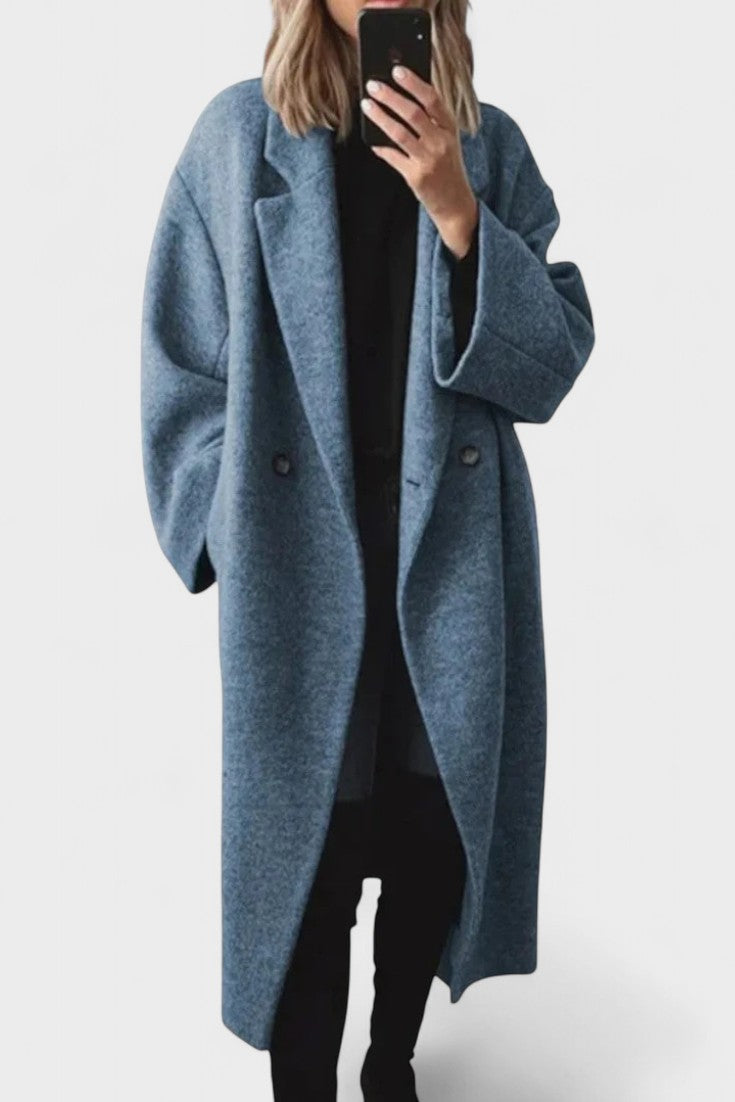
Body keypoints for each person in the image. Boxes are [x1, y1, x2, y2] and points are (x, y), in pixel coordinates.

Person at [140, 0, 595, 1098]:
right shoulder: (235, 139)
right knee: (310, 854)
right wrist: (224, 526)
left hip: (447, 563)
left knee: (430, 836)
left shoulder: (488, 148)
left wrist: (458, 211)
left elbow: (550, 365)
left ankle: (391, 1063)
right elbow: (181, 363)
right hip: (301, 567)